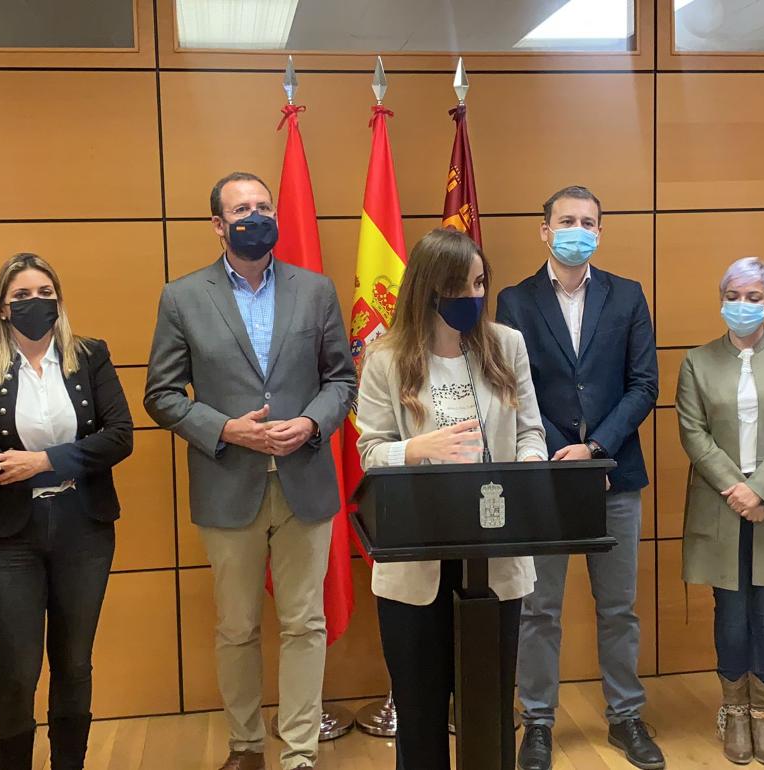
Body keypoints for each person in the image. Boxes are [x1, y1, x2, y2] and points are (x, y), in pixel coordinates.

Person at [144, 171, 356, 770]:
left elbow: (342, 379)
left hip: (304, 482)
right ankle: (245, 746)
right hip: (228, 481)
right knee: (236, 626)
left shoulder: (315, 291)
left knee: (304, 623)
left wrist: (312, 424)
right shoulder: (182, 297)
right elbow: (161, 395)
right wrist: (225, 428)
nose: (255, 215)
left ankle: (299, 753)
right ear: (218, 224)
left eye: (264, 205)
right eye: (242, 209)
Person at [356, 226, 547, 769]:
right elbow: (370, 452)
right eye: (458, 288)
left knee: (487, 704)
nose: (472, 298)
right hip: (416, 559)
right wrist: (417, 448)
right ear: (427, 288)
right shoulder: (386, 358)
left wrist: (530, 465)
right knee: (420, 707)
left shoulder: (506, 345)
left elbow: (532, 431)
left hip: (495, 549)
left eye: (479, 284)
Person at [496, 185, 662, 770]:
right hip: (543, 475)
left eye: (588, 222)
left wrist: (595, 447)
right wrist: (557, 449)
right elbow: (510, 387)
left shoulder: (628, 295)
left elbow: (645, 384)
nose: (577, 229)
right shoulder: (514, 301)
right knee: (539, 609)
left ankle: (625, 717)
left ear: (600, 231)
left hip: (614, 475)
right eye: (566, 220)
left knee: (619, 607)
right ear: (544, 230)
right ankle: (537, 722)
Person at [0, 253, 133, 770]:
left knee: (74, 664)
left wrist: (41, 461)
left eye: (46, 293)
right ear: (3, 309)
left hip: (85, 528)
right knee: (17, 669)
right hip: (10, 536)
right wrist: (72, 458)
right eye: (23, 296)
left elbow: (119, 436)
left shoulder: (89, 356)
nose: (37, 303)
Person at [675, 257, 764, 766]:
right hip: (720, 504)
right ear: (722, 299)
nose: (742, 305)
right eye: (733, 295)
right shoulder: (696, 362)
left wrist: (760, 491)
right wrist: (737, 490)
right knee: (731, 614)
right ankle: (734, 712)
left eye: (754, 296)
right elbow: (693, 433)